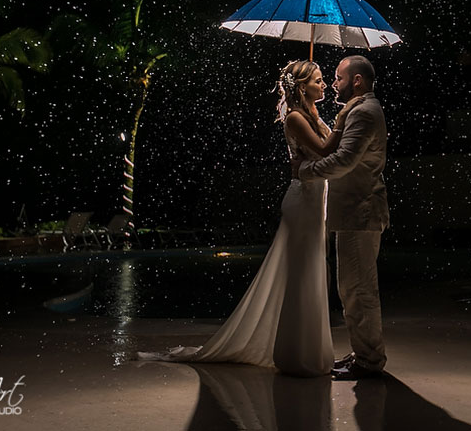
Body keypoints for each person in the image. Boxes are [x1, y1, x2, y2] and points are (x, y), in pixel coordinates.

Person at [137, 60, 361, 377]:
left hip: (314, 199)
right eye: (318, 80)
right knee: (302, 274)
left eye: (324, 79)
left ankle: (308, 350)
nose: (324, 84)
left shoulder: (312, 114)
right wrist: (343, 120)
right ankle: (298, 355)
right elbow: (325, 151)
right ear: (302, 87)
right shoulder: (296, 117)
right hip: (303, 201)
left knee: (312, 272)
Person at [292, 55, 390, 380]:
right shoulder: (357, 110)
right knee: (353, 288)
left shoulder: (363, 112)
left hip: (359, 213)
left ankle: (369, 360)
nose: (333, 84)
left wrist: (304, 171)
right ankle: (364, 352)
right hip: (355, 213)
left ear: (356, 80)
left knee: (359, 289)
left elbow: (344, 160)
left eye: (338, 77)